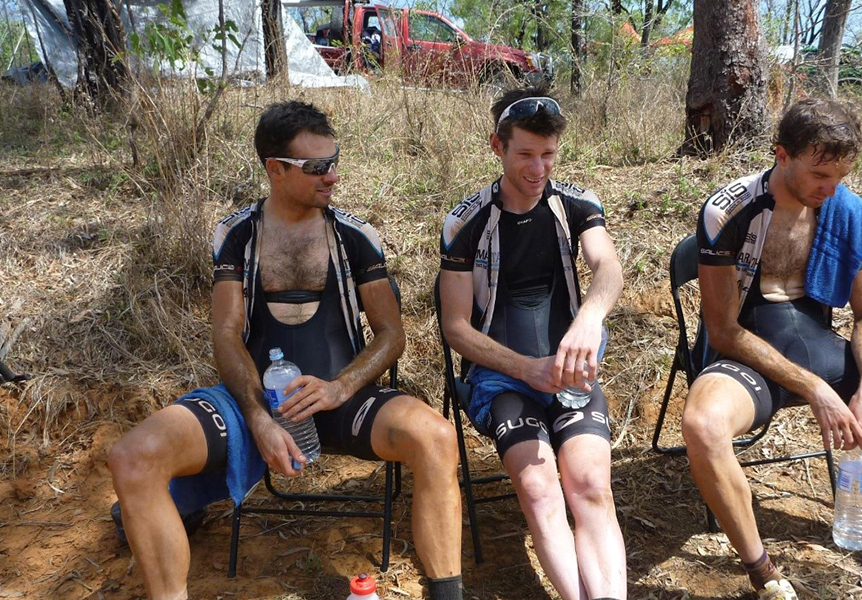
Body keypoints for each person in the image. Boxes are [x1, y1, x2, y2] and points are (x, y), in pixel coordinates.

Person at [108, 101, 464, 600]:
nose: (332, 176)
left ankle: (449, 594)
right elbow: (227, 334)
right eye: (317, 167)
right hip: (255, 400)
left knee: (437, 438)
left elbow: (390, 334)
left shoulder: (354, 236)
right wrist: (259, 418)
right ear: (276, 169)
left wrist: (340, 386)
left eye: (335, 161)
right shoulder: (237, 235)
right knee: (132, 456)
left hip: (344, 400)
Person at [683, 97, 862, 600]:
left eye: (841, 177)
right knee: (702, 423)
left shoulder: (846, 209)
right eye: (820, 176)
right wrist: (816, 390)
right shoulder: (730, 208)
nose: (831, 190)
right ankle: (764, 573)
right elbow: (722, 331)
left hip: (823, 344)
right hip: (749, 355)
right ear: (782, 155)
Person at [439, 86, 627, 600]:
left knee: (590, 486)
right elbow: (455, 328)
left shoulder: (577, 205)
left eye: (548, 154)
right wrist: (526, 368)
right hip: (503, 376)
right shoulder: (466, 222)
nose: (538, 168)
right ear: (496, 147)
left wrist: (589, 318)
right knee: (541, 489)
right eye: (524, 154)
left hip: (571, 369)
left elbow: (608, 267)